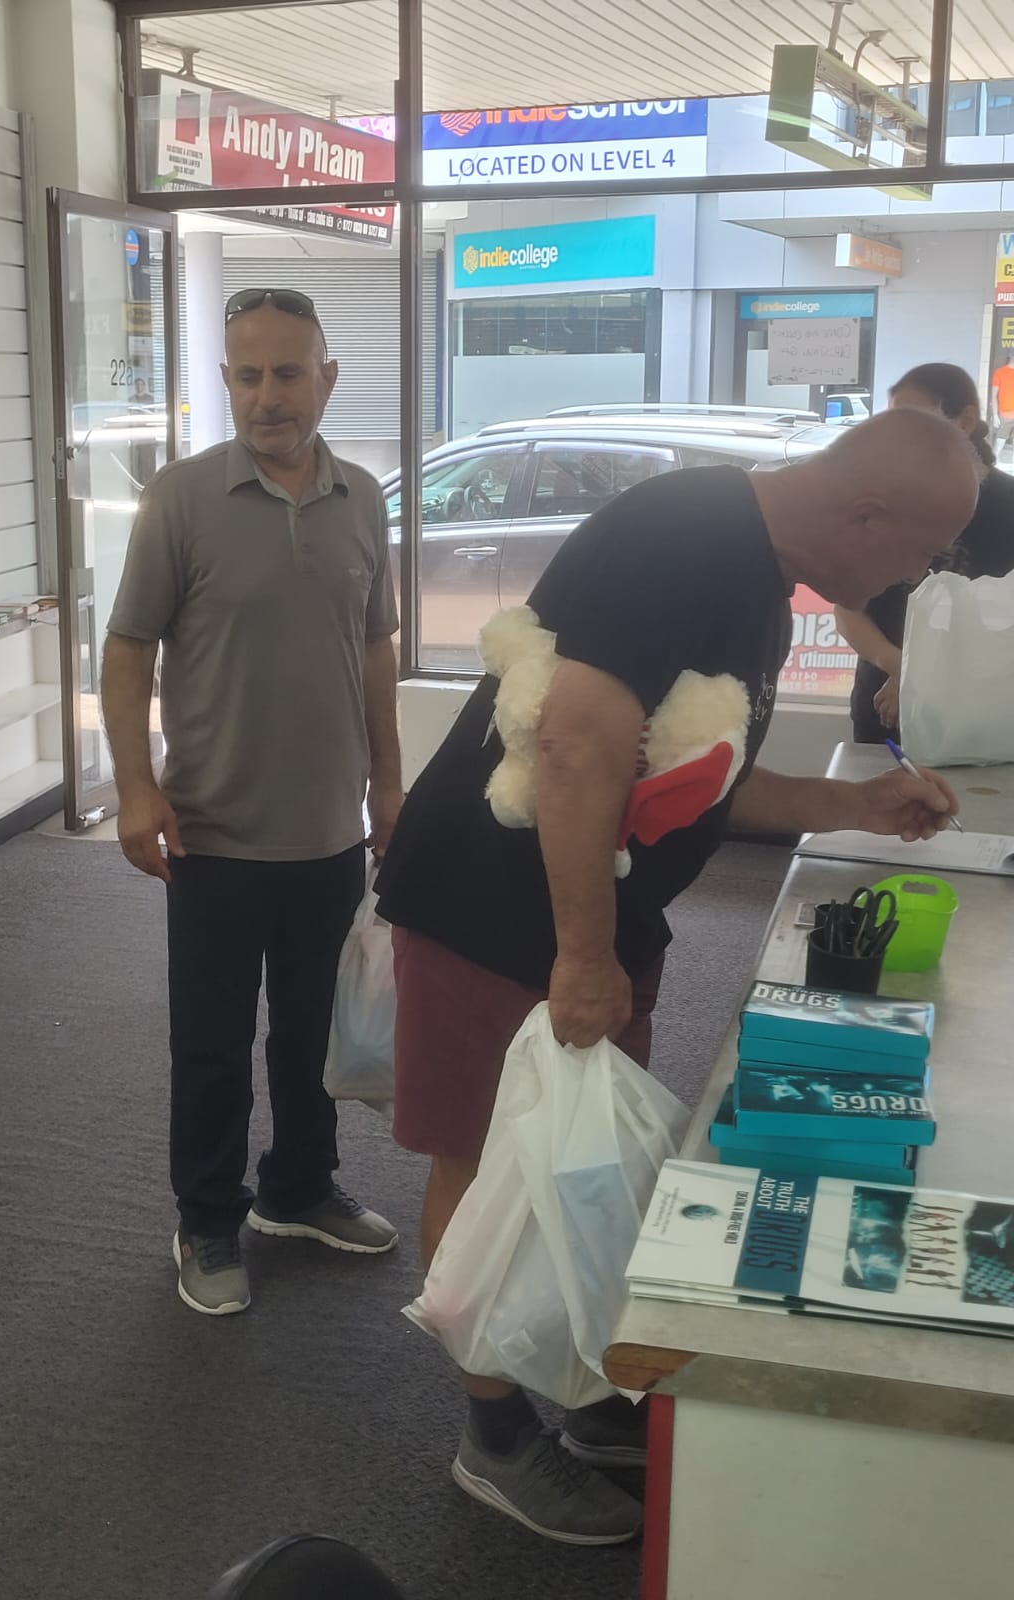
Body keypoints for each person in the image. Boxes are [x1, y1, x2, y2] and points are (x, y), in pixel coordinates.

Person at [375, 407, 976, 1545]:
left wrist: (852, 804)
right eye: (917, 551)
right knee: (490, 1160)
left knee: (580, 1163)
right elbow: (576, 743)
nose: (912, 577)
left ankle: (580, 1379)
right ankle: (491, 1433)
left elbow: (694, 781)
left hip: (589, 912)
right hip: (490, 906)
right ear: (863, 515)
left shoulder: (754, 575)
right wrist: (583, 955)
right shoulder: (684, 537)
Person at [103, 287, 403, 1317]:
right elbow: (127, 651)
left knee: (317, 1032)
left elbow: (375, 649)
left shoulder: (362, 497)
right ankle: (208, 1219)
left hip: (328, 830)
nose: (267, 396)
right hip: (214, 832)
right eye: (246, 374)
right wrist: (134, 786)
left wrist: (389, 783)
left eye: (287, 372)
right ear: (225, 381)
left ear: (328, 377)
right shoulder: (180, 498)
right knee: (214, 1043)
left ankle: (299, 1188)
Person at [836, 364, 1014, 744]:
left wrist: (926, 676)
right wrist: (901, 668)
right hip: (884, 713)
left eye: (914, 418)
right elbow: (848, 610)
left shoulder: (1007, 506)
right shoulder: (879, 500)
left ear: (966, 420)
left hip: (980, 718)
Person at [991, 354, 1014, 463]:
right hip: (1005, 414)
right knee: (1000, 440)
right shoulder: (1000, 372)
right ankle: (993, 462)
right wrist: (995, 415)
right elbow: (994, 395)